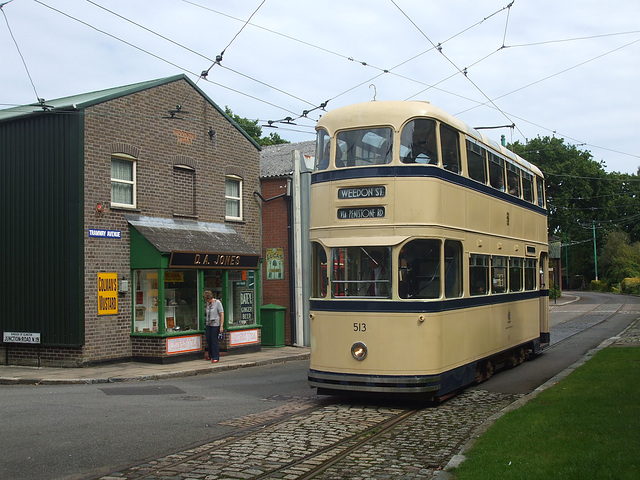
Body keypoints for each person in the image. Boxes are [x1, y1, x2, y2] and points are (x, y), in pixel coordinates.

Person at [203, 290, 224, 363]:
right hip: (208, 324)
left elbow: (221, 314)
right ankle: (210, 355)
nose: (207, 301)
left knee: (214, 340)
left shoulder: (217, 303)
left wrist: (221, 326)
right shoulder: (208, 304)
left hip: (215, 324)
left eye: (207, 299)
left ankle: (216, 356)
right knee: (209, 339)